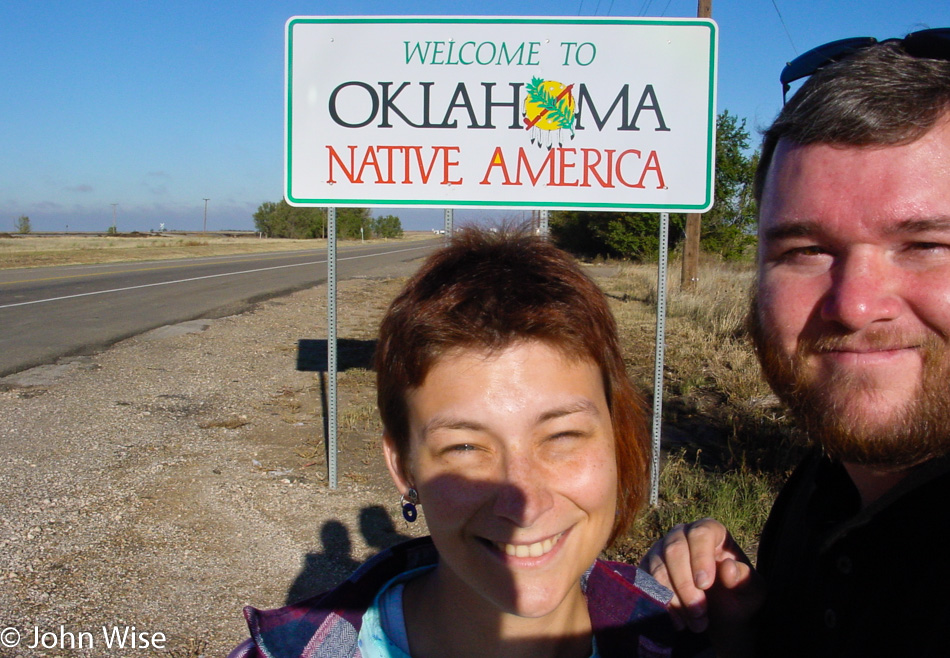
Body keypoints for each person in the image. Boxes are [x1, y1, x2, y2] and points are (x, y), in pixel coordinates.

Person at [229, 228, 704, 657]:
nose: (525, 505)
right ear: (403, 467)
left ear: (617, 438)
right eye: (465, 448)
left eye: (562, 436)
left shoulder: (685, 633)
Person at [641, 30, 950, 657]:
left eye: (925, 246)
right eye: (805, 251)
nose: (855, 306)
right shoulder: (823, 487)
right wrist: (735, 635)